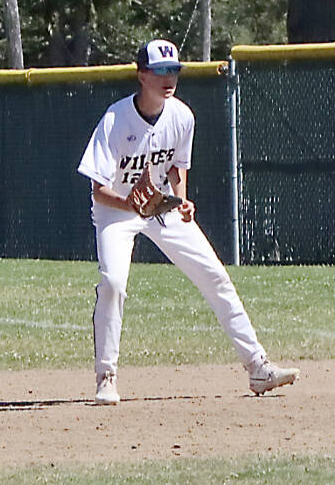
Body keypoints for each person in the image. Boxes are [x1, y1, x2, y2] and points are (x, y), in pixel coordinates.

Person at [76, 38, 299, 405]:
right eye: (161, 71)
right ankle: (107, 376)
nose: (169, 78)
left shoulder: (182, 116)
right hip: (117, 211)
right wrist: (129, 203)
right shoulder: (115, 120)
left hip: (162, 208)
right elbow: (98, 189)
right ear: (142, 75)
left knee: (215, 274)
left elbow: (178, 168)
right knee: (113, 282)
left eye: (174, 70)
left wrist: (183, 200)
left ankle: (258, 366)